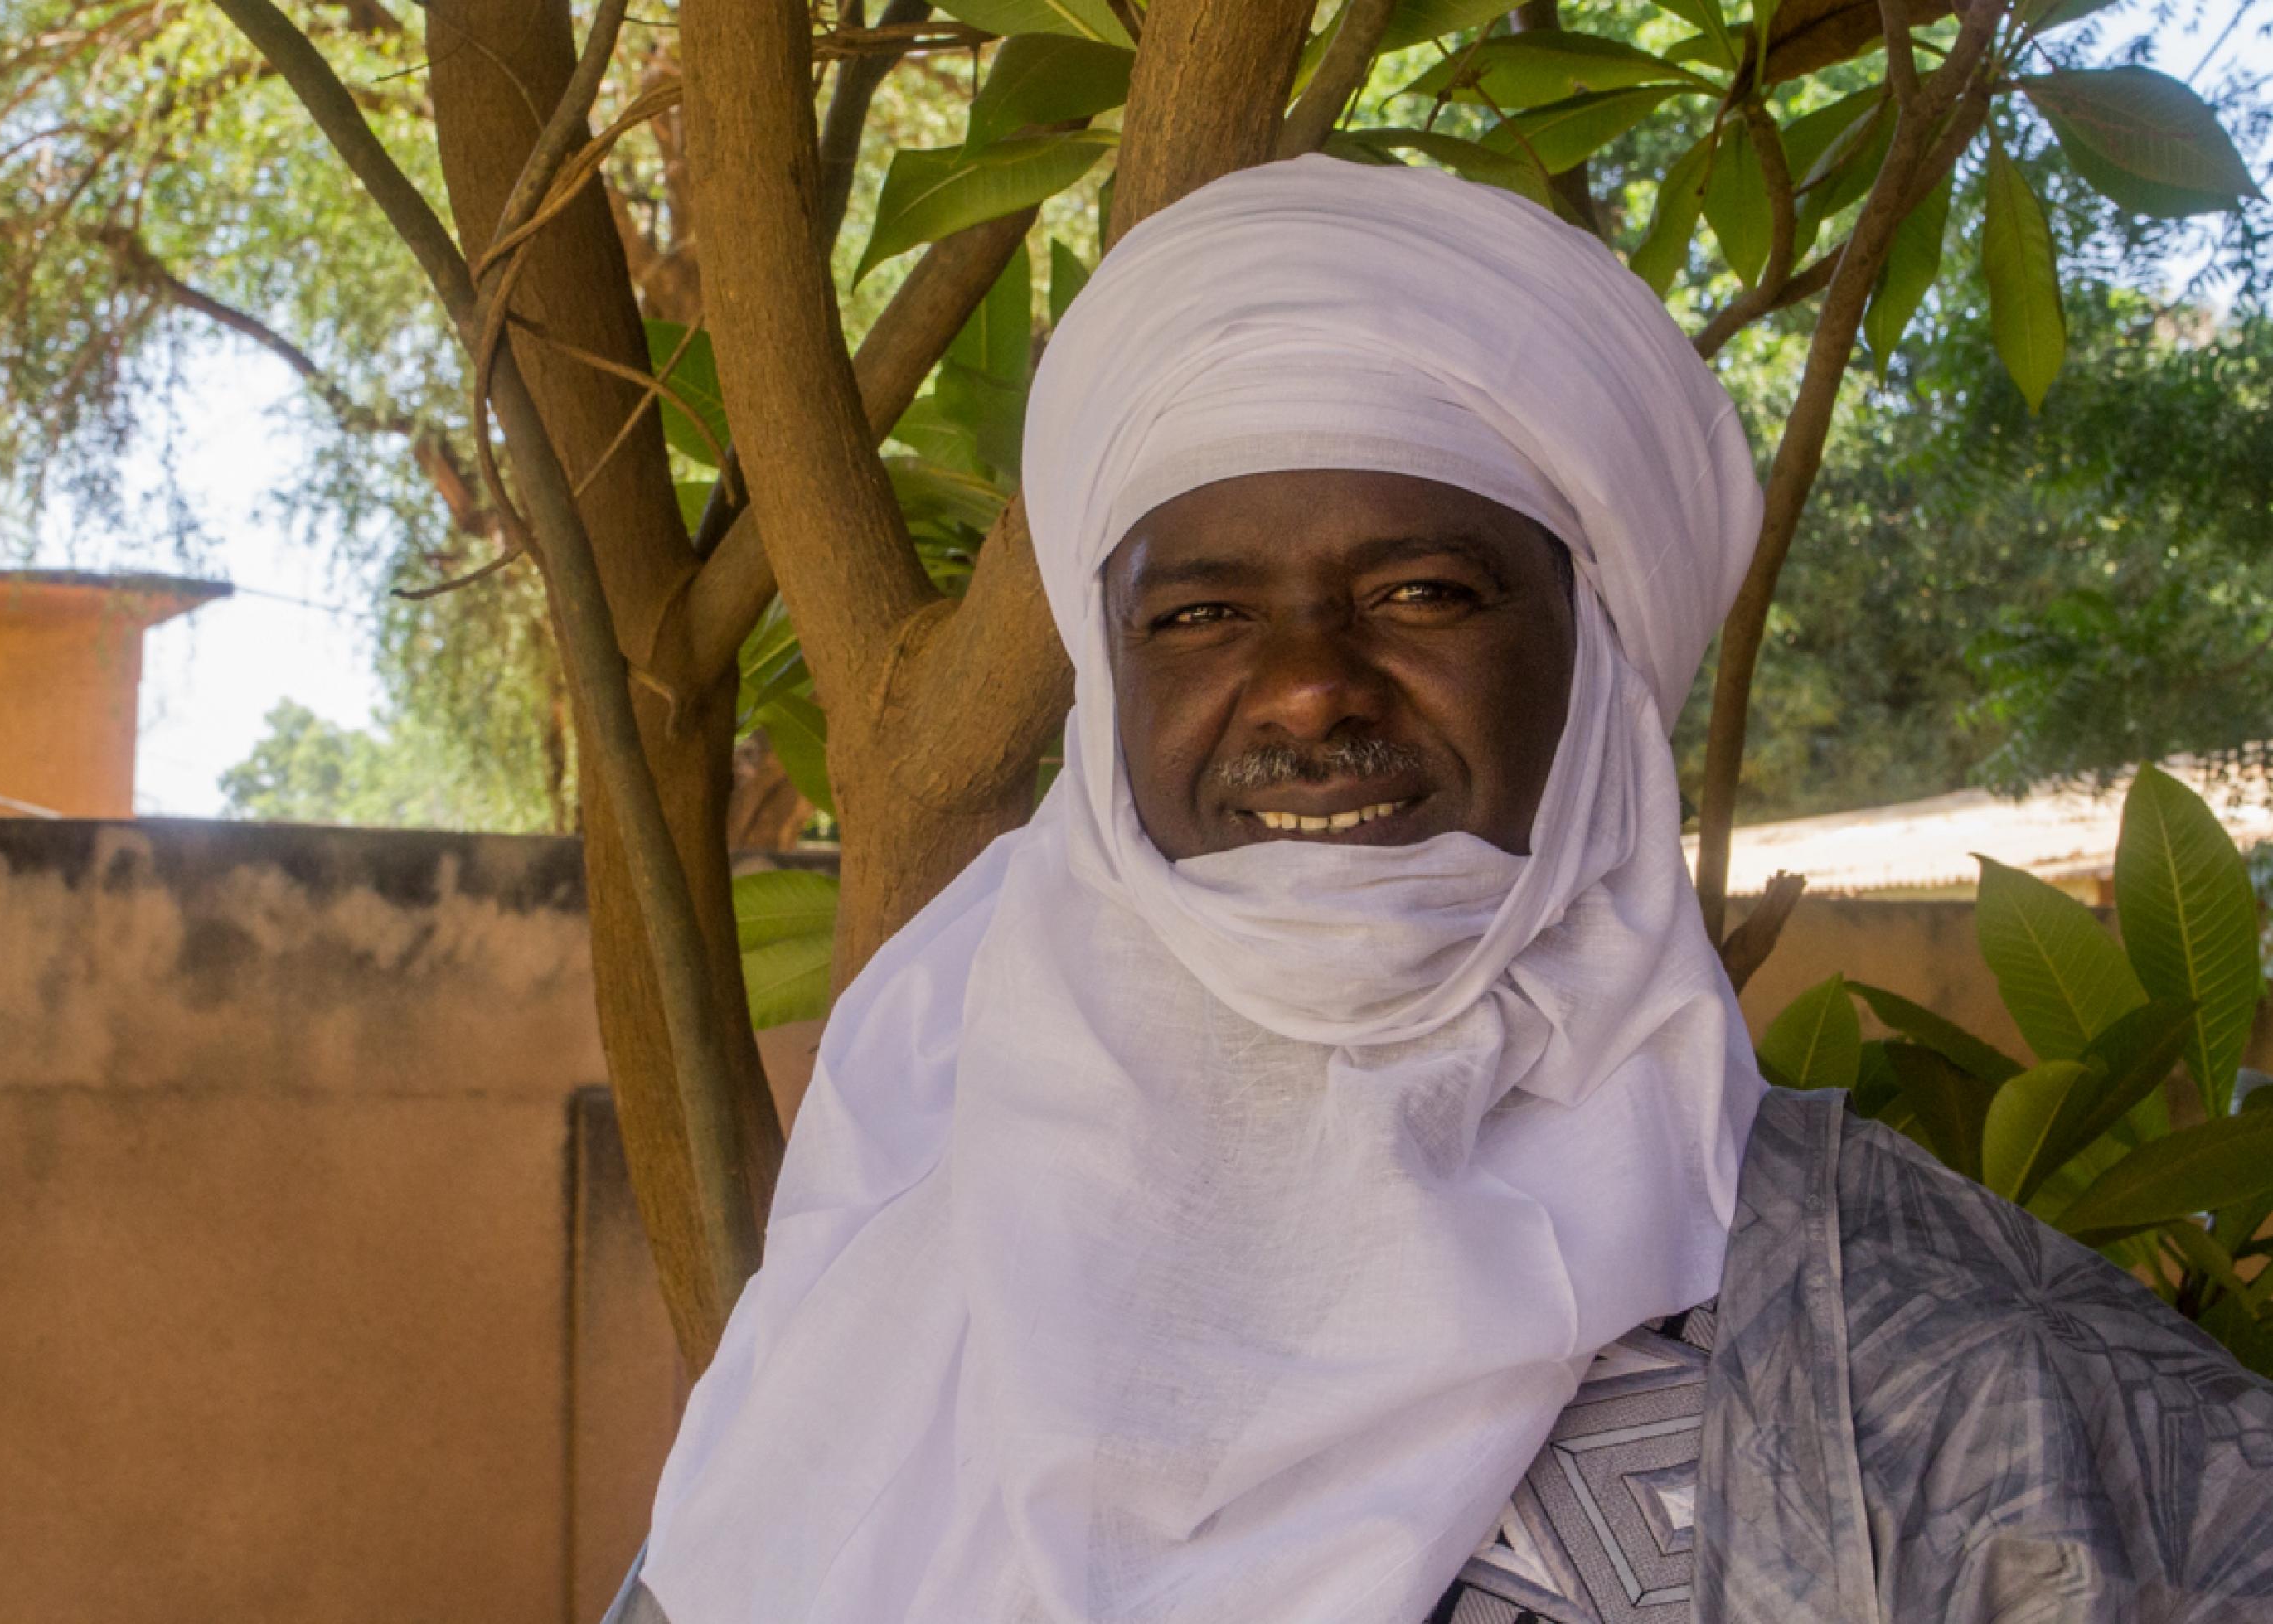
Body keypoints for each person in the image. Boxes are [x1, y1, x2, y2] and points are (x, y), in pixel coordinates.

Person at [604, 155, 2273, 1624]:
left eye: (1420, 590)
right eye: (1199, 616)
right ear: (1109, 700)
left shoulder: (1964, 1379)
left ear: (1598, 677)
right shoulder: (892, 1270)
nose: (1310, 688)